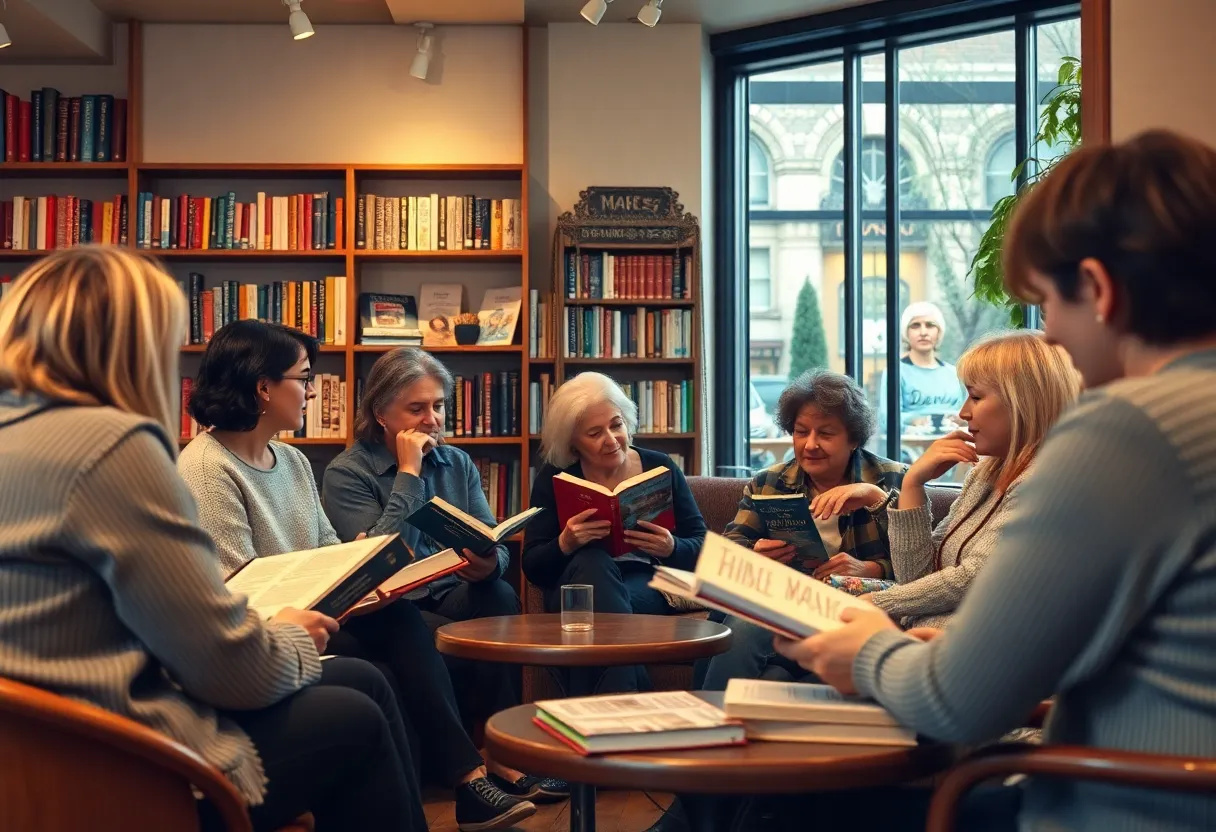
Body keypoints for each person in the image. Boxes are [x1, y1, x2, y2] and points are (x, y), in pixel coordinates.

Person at [776, 129, 1216, 831]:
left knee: (792, 804)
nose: (1052, 335)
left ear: (1099, 289)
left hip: (1121, 804)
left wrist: (865, 652)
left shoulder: (1127, 431)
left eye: (1047, 302)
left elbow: (962, 702)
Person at [0, 246, 425, 832]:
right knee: (356, 716)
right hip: (114, 757)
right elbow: (226, 669)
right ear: (135, 343)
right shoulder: (113, 448)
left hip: (33, 752)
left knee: (362, 679)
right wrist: (291, 640)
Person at [177, 320, 538, 831]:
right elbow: (236, 586)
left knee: (424, 614)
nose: (311, 391)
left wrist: (366, 576)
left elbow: (330, 549)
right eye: (304, 378)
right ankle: (468, 778)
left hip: (327, 611)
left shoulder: (292, 460)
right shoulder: (207, 469)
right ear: (263, 388)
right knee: (401, 630)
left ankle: (471, 780)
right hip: (277, 633)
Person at [320, 348, 566, 803]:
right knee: (420, 625)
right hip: (393, 606)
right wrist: (409, 473)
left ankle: (499, 750)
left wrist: (490, 564)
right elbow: (380, 559)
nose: (432, 419)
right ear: (380, 413)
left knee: (498, 596)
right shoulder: (347, 473)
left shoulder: (457, 463)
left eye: (438, 405)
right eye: (416, 408)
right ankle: (466, 769)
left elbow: (491, 538)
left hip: (452, 591)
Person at [698, 369, 905, 691]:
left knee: (745, 626)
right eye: (800, 432)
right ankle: (721, 707)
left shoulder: (891, 480)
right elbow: (731, 547)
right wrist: (754, 554)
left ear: (853, 438)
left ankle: (704, 713)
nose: (810, 445)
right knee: (766, 671)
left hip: (855, 607)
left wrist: (872, 569)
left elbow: (921, 564)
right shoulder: (769, 482)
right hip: (788, 600)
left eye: (826, 434)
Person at [865, 330, 1080, 630]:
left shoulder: (1048, 481)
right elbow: (916, 578)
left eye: (976, 397)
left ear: (1024, 402)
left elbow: (977, 577)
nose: (963, 412)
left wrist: (879, 603)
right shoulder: (986, 470)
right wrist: (913, 482)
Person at [523, 371, 708, 694]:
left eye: (616, 425)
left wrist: (671, 547)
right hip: (576, 581)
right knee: (593, 562)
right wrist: (565, 543)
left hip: (643, 583)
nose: (611, 439)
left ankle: (601, 706)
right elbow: (533, 564)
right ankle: (632, 700)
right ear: (572, 442)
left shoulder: (660, 466)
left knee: (592, 613)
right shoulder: (555, 477)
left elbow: (702, 546)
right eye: (594, 433)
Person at [877, 301, 968, 460]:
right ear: (906, 333)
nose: (923, 332)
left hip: (953, 453)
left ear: (939, 332)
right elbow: (887, 420)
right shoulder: (895, 372)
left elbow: (964, 413)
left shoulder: (952, 373)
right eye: (915, 326)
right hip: (909, 454)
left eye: (930, 325)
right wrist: (916, 420)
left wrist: (961, 419)